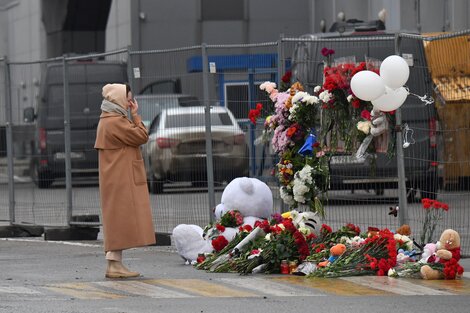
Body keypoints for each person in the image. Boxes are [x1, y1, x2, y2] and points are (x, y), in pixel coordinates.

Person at [94, 83, 156, 278]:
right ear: (119, 99)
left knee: (118, 220)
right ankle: (114, 265)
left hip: (118, 178)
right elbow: (142, 136)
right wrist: (136, 115)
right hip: (121, 179)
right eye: (128, 98)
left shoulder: (112, 119)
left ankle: (115, 264)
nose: (130, 102)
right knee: (119, 220)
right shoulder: (115, 121)